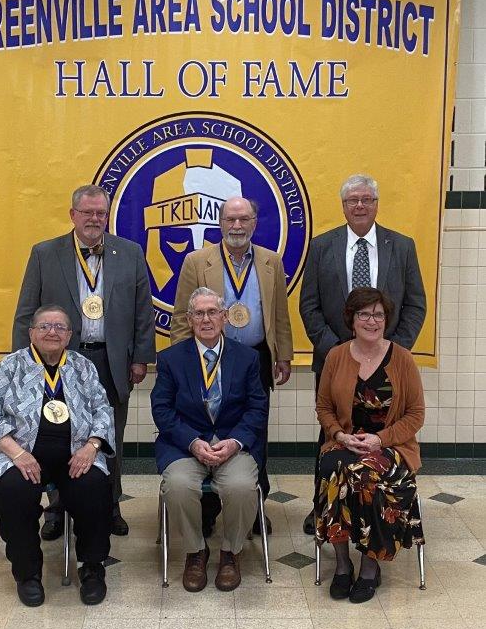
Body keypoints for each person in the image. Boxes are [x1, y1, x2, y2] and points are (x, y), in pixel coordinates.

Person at [13, 184, 156, 537]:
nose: (94, 219)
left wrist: (141, 357)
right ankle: (57, 508)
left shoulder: (130, 252)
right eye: (87, 212)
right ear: (73, 215)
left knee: (110, 435)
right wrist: (25, 364)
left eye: (100, 213)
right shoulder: (45, 254)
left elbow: (143, 311)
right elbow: (26, 312)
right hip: (58, 363)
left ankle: (110, 504)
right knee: (57, 433)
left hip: (111, 360)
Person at [299, 173, 426, 534]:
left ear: (376, 204)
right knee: (332, 434)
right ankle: (325, 508)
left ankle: (379, 510)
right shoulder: (321, 246)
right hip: (335, 363)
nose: (359, 205)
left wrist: (392, 352)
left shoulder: (401, 246)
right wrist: (339, 353)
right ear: (343, 206)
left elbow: (416, 304)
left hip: (387, 365)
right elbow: (309, 306)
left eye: (366, 199)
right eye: (352, 200)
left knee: (382, 434)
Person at [0, 305, 116, 607]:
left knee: (94, 486)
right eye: (45, 326)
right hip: (17, 453)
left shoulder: (82, 366)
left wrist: (92, 446)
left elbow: (103, 409)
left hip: (75, 453)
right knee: (14, 490)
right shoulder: (9, 366)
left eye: (60, 327)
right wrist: (18, 453)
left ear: (70, 335)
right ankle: (27, 573)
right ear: (31, 333)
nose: (52, 332)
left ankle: (92, 567)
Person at [171, 196, 293, 535]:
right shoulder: (197, 261)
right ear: (220, 222)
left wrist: (283, 354)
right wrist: (183, 365)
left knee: (254, 433)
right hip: (207, 358)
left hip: (255, 359)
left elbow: (279, 313)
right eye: (230, 219)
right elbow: (182, 316)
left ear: (254, 222)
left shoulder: (271, 261)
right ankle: (207, 511)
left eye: (244, 219)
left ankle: (253, 507)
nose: (237, 226)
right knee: (207, 426)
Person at [152, 287, 268, 592]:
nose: (206, 319)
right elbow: (162, 410)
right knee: (177, 486)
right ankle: (196, 551)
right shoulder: (170, 359)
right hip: (185, 445)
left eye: (213, 312)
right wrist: (192, 442)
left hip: (233, 443)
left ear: (225, 317)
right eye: (199, 313)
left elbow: (257, 408)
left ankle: (230, 552)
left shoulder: (247, 358)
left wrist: (235, 442)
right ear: (189, 319)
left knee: (241, 487)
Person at [314, 287, 425, 603]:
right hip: (346, 441)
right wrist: (339, 435)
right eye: (364, 314)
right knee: (331, 467)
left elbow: (416, 414)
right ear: (352, 319)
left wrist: (380, 439)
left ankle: (369, 565)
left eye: (378, 314)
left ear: (386, 319)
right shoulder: (336, 356)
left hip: (392, 447)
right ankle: (342, 564)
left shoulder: (402, 358)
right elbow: (324, 407)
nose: (372, 321)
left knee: (364, 476)